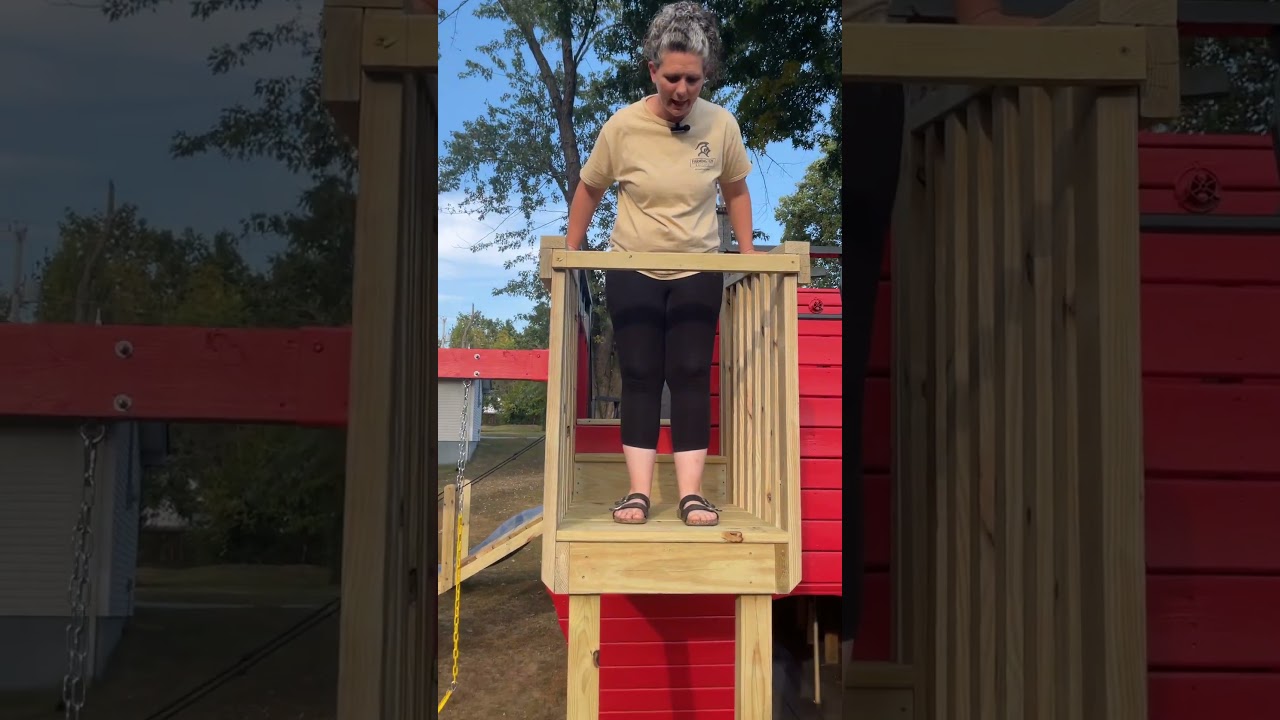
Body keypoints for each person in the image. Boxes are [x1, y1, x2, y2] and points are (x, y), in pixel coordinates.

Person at [840, 0, 1042, 678]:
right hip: (837, 82)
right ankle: (804, 669)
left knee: (824, 414)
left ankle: (809, 673)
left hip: (848, 84)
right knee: (819, 414)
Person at [565, 2, 755, 527]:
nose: (681, 90)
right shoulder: (622, 127)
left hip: (698, 266)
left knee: (691, 373)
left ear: (705, 74)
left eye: (693, 79)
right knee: (642, 374)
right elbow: (590, 188)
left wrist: (746, 253)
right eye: (672, 77)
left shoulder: (720, 125)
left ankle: (692, 495)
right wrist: (571, 248)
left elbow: (735, 191)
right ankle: (638, 494)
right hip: (632, 266)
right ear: (653, 70)